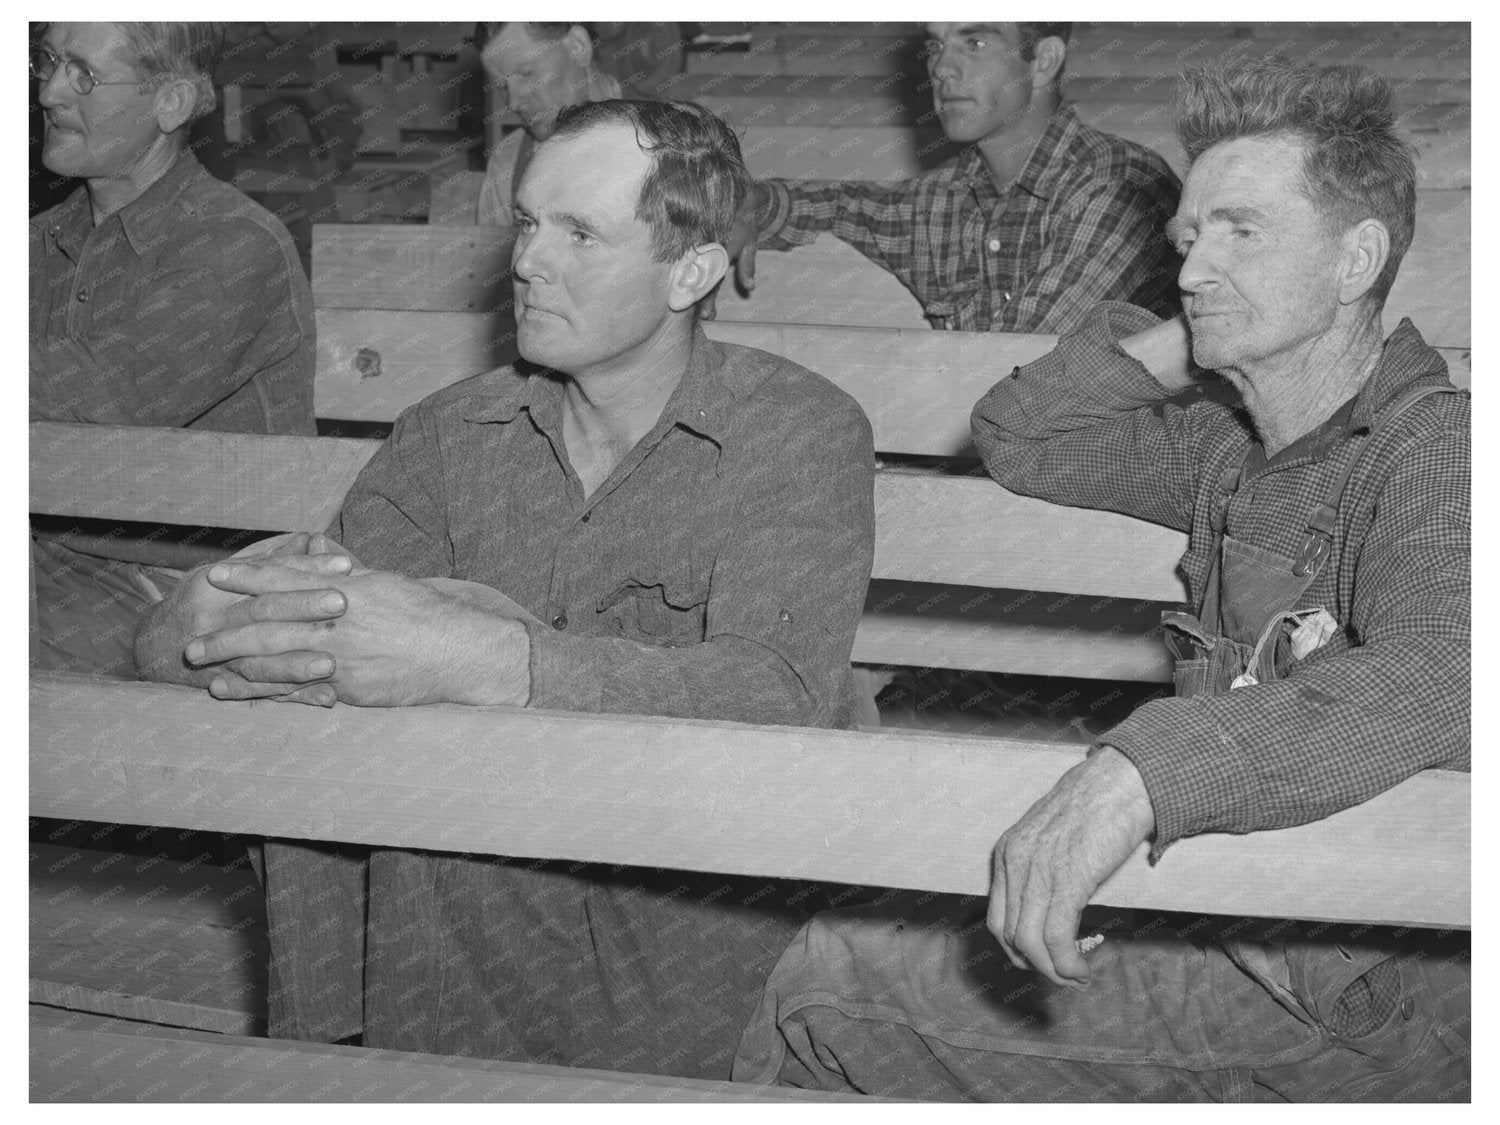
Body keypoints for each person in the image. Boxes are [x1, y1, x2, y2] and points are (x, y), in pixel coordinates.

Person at [732, 57, 1470, 1101]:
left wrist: (1136, 776)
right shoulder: (1228, 449)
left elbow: (1452, 675)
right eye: (1188, 238)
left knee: (828, 975)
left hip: (1364, 987)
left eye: (1241, 233)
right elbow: (1021, 435)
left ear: (1356, 260)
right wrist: (1192, 336)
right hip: (1235, 912)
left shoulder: (1436, 451)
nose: (1193, 268)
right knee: (854, 921)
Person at [134, 98, 877, 1080]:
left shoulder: (797, 431)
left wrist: (499, 658)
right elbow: (318, 629)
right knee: (383, 750)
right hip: (449, 898)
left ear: (691, 271)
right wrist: (199, 624)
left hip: (678, 897)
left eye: (579, 234)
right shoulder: (450, 431)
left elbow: (777, 696)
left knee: (445, 749)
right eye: (527, 222)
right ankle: (353, 1067)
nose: (527, 261)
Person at [30, 21, 315, 678]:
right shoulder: (35, 242)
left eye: (83, 74)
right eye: (47, 61)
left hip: (189, 592)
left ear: (171, 103)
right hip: (51, 558)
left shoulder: (235, 243)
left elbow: (105, 393)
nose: (48, 92)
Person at [727, 22, 1183, 333]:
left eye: (975, 43)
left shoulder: (1123, 184)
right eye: (935, 46)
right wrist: (745, 207)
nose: (941, 67)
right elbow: (837, 204)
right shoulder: (940, 198)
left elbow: (1022, 366)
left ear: (1043, 61)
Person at [474, 22, 622, 224]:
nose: (513, 102)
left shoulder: (659, 138)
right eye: (502, 86)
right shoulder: (508, 162)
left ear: (578, 46)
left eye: (526, 74)